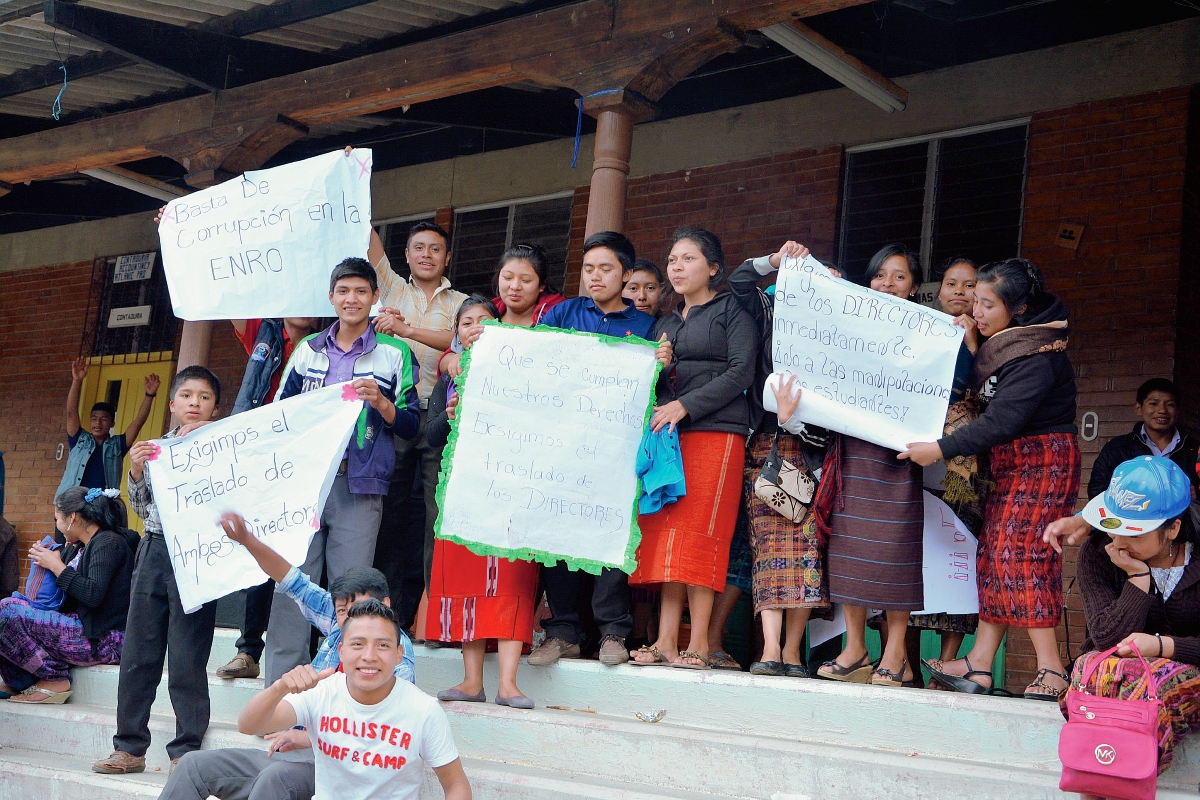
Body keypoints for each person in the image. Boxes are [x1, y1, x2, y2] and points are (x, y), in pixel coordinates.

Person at [902, 257, 1080, 701]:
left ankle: (1053, 669)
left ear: (1018, 309)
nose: (975, 311)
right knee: (994, 558)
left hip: (1043, 464)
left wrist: (937, 450)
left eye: (986, 304)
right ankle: (980, 663)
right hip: (1011, 466)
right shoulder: (1002, 346)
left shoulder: (1037, 354)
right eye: (975, 301)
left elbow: (1001, 422)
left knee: (1027, 558)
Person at [158, 512, 416, 800]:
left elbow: (385, 730)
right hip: (292, 756)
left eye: (360, 608)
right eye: (342, 609)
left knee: (276, 777)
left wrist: (310, 738)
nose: (349, 618)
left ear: (385, 606)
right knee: (193, 764)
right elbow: (290, 578)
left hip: (340, 769)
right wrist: (246, 539)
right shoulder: (337, 623)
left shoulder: (394, 658)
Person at [264, 257, 420, 686]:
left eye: (362, 292)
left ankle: (345, 694)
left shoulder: (395, 352)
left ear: (374, 299)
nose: (352, 299)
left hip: (361, 483)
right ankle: (281, 697)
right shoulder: (308, 348)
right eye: (344, 291)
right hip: (304, 487)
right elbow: (279, 414)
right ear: (331, 297)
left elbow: (410, 423)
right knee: (291, 589)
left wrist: (382, 404)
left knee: (353, 597)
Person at [628, 227, 757, 669]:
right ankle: (665, 641)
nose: (677, 268)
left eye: (688, 259)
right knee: (670, 537)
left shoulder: (733, 310)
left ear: (714, 268)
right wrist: (658, 369)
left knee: (703, 537)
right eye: (672, 260)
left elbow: (742, 372)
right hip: (671, 439)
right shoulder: (665, 322)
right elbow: (654, 388)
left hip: (717, 435)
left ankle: (699, 643)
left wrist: (685, 405)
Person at [527, 232, 656, 668]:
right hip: (563, 450)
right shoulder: (563, 313)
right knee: (558, 536)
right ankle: (563, 631)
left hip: (616, 454)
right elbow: (537, 365)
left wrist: (661, 362)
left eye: (606, 268)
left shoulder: (645, 327)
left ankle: (613, 632)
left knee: (610, 536)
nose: (595, 276)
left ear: (626, 274)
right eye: (588, 269)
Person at [93, 366, 223, 775]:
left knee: (188, 655)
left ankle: (186, 749)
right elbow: (142, 507)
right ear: (172, 404)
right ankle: (129, 747)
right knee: (139, 653)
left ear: (215, 408)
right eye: (186, 396)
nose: (194, 404)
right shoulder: (154, 448)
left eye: (204, 397)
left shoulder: (228, 447)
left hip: (199, 554)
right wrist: (134, 469)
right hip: (154, 550)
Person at [809, 244, 926, 688]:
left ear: (915, 288)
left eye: (899, 277)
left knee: (896, 551)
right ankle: (855, 648)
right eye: (879, 276)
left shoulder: (929, 335)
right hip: (853, 450)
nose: (887, 285)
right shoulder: (850, 327)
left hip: (900, 456)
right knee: (849, 549)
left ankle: (896, 652)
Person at [1044, 456, 1200, 784]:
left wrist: (1160, 646)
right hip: (1112, 669)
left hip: (1182, 672)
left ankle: (1122, 779)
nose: (1122, 541)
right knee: (1101, 674)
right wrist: (1138, 577)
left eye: (1137, 532)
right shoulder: (1099, 554)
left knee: (1143, 685)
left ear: (1173, 527)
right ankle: (1098, 778)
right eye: (1118, 525)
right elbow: (1105, 639)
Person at [425, 295, 540, 707]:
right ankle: (472, 681)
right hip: (464, 493)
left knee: (511, 579)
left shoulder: (528, 371)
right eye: (466, 322)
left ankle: (508, 684)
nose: (474, 327)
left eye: (483, 320)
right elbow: (430, 436)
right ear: (456, 333)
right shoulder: (450, 378)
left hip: (513, 491)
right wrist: (450, 415)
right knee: (467, 579)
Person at [238, 599, 471, 800]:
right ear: (341, 651)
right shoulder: (323, 692)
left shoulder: (424, 710)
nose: (369, 656)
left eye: (382, 645)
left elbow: (456, 785)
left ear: (399, 654)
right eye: (358, 644)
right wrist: (279, 688)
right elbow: (249, 725)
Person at [729, 241, 831, 678]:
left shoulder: (839, 347)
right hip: (766, 455)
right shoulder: (770, 313)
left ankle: (792, 650)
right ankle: (770, 647)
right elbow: (737, 281)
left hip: (813, 458)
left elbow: (833, 427)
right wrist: (773, 262)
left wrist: (793, 424)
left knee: (808, 557)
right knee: (769, 554)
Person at [368, 218, 467, 632]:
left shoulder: (462, 302)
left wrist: (408, 330)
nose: (426, 254)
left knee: (434, 513)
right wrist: (354, 176)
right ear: (406, 255)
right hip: (394, 412)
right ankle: (379, 609)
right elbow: (369, 245)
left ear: (447, 257)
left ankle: (429, 613)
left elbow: (461, 341)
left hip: (443, 414)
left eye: (435, 249)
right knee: (386, 510)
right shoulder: (389, 287)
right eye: (418, 247)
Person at [217, 315, 320, 681]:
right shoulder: (265, 332)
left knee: (303, 553)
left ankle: (318, 652)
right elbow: (234, 295)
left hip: (307, 459)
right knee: (261, 546)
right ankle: (248, 651)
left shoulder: (327, 343)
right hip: (260, 456)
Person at [906, 257, 984, 683]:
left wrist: (972, 344)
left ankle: (947, 665)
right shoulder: (922, 332)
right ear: (938, 292)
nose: (957, 291)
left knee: (956, 556)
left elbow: (983, 393)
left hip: (965, 464)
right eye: (950, 283)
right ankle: (905, 660)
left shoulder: (990, 336)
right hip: (919, 454)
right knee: (917, 559)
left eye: (968, 285)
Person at [0, 487, 131, 702]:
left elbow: (93, 594)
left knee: (8, 609)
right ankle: (20, 682)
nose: (57, 527)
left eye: (57, 519)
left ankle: (55, 678)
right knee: (8, 607)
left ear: (71, 518)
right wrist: (48, 562)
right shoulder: (78, 547)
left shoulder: (109, 542)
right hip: (79, 628)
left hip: (105, 639)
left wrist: (57, 567)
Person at [437, 244, 566, 378]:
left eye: (526, 280)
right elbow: (446, 360)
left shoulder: (558, 316)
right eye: (507, 278)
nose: (515, 286)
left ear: (541, 285)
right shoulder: (486, 312)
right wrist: (458, 359)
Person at [57, 357, 160, 499]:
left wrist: (150, 395)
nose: (98, 423)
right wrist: (77, 380)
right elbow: (71, 413)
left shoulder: (117, 445)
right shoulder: (79, 439)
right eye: (94, 418)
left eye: (104, 419)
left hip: (103, 508)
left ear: (112, 423)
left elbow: (138, 422)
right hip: (72, 503)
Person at [1087, 378, 1199, 500]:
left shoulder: (1194, 449)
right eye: (1154, 403)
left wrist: (1196, 494)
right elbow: (1097, 491)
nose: (1162, 410)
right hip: (1129, 518)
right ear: (1138, 408)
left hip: (1182, 518)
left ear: (1177, 411)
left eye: (1170, 404)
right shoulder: (1117, 448)